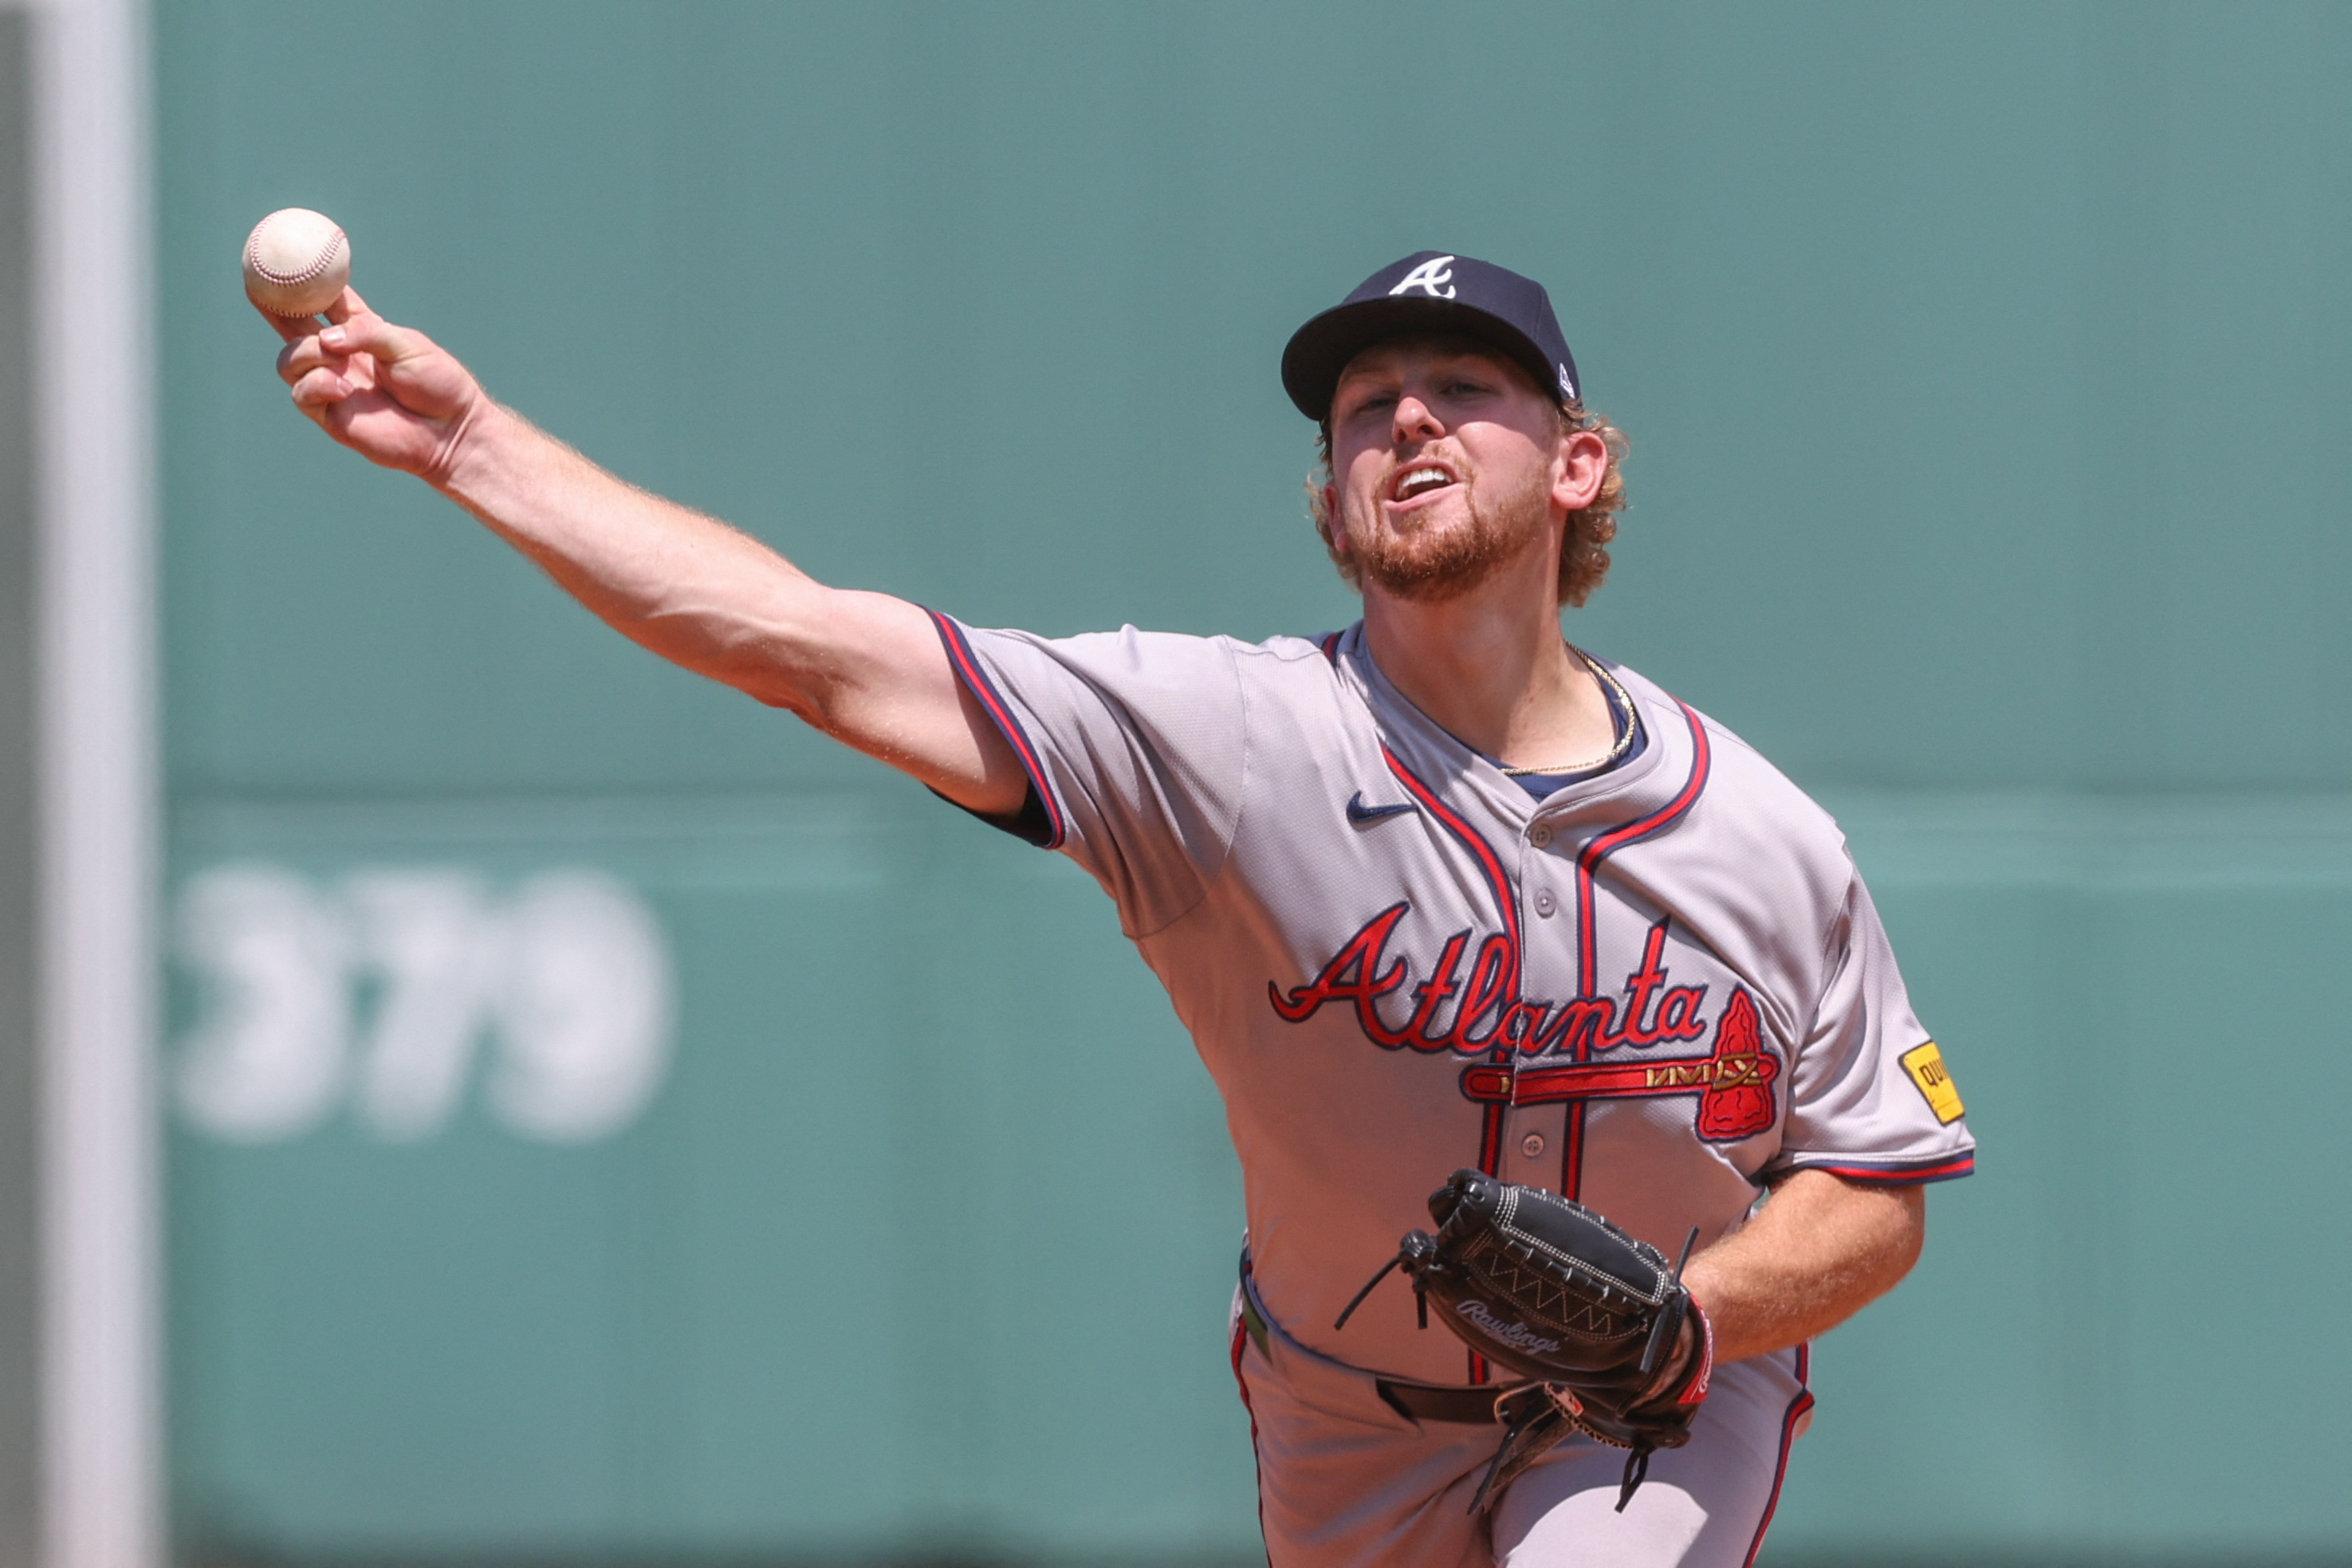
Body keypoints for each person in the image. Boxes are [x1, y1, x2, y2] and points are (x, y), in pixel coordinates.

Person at [261, 249, 1973, 1567]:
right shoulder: (1221, 744)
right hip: (1344, 1409)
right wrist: (475, 447)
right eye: (1363, 405)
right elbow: (801, 646)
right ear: (1328, 495)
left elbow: (1874, 1187)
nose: (1407, 420)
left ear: (1579, 466)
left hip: (1657, 1407)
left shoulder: (1755, 831)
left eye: (1465, 385)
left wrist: (1695, 1323)